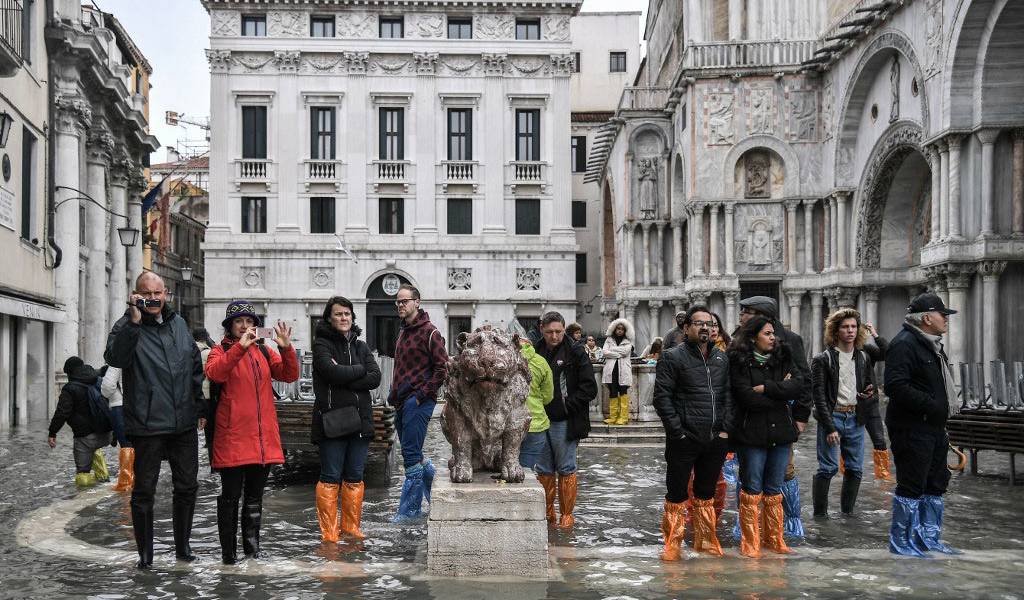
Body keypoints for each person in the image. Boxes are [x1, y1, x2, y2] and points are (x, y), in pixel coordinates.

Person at [104, 271, 205, 569]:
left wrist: (199, 407)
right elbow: (116, 358)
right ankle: (145, 556)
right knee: (144, 490)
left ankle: (183, 547)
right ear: (136, 294)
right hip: (147, 424)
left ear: (166, 294)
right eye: (146, 293)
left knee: (187, 486)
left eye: (158, 293)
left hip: (183, 422)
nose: (153, 298)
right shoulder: (125, 325)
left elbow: (194, 365)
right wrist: (134, 322)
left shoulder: (179, 324)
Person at [205, 301, 299, 564]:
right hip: (233, 438)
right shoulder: (218, 351)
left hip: (262, 440)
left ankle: (252, 550)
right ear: (230, 326)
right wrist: (239, 348)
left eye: (250, 322)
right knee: (230, 497)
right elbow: (216, 373)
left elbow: (289, 375)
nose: (245, 326)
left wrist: (285, 347)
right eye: (239, 322)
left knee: (255, 498)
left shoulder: (265, 352)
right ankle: (228, 555)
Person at [653, 305, 733, 560]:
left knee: (706, 493)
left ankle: (706, 541)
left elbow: (729, 397)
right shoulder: (672, 357)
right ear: (686, 329)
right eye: (698, 323)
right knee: (676, 492)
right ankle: (673, 544)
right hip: (684, 438)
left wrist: (724, 431)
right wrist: (677, 432)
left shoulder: (721, 358)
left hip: (715, 438)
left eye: (709, 324)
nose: (705, 328)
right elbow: (661, 398)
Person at [884, 292, 960, 557]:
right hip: (912, 427)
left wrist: (940, 412)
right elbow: (895, 385)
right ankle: (902, 542)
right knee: (912, 484)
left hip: (934, 428)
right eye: (943, 315)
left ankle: (929, 538)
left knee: (936, 482)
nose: (946, 320)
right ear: (927, 318)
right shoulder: (905, 344)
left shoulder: (932, 344)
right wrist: (932, 404)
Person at [728, 315, 811, 558]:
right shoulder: (739, 361)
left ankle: (775, 539)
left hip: (781, 433)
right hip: (751, 434)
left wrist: (767, 388)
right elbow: (745, 397)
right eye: (767, 333)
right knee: (752, 487)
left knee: (775, 488)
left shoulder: (783, 356)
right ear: (754, 337)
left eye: (773, 333)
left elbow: (798, 385)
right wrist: (780, 392)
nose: (773, 337)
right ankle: (751, 541)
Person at [311, 297, 382, 543]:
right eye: (338, 314)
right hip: (332, 421)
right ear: (329, 318)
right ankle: (329, 534)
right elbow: (330, 372)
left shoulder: (361, 346)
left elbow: (376, 377)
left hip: (360, 422)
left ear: (352, 317)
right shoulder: (321, 345)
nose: (343, 318)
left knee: (355, 476)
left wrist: (345, 375)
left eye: (347, 314)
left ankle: (351, 528)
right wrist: (358, 370)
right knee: (330, 476)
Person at [388, 284, 449, 522]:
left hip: (418, 401)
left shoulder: (430, 332)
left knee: (411, 457)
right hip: (402, 401)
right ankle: (438, 498)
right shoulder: (403, 331)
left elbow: (442, 368)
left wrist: (421, 396)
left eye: (405, 301)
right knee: (413, 453)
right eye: (398, 302)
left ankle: (409, 514)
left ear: (417, 302)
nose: (401, 305)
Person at [811, 308, 878, 518]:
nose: (850, 331)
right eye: (845, 327)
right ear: (836, 330)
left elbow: (869, 386)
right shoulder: (823, 359)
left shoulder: (863, 358)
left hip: (855, 417)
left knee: (855, 469)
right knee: (828, 467)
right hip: (834, 416)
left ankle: (847, 514)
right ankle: (820, 514)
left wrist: (867, 394)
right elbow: (819, 396)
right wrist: (829, 426)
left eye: (853, 327)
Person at [535, 311, 597, 528]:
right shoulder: (535, 350)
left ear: (564, 330)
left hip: (566, 421)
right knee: (543, 468)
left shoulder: (577, 352)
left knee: (566, 467)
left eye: (558, 332)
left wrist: (566, 406)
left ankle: (567, 517)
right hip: (540, 420)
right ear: (542, 330)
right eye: (550, 332)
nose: (554, 336)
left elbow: (590, 388)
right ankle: (547, 514)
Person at [47, 357, 111, 488]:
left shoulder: (70, 389)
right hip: (108, 434)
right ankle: (104, 479)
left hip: (85, 437)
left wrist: (52, 432)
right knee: (94, 448)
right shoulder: (97, 379)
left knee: (83, 474)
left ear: (70, 372)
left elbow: (62, 413)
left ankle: (86, 499)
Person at [517, 335, 554, 478]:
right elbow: (548, 396)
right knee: (526, 471)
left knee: (504, 471)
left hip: (507, 426)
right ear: (530, 345)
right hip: (535, 424)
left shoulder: (503, 361)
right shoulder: (541, 362)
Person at [862, 323, 893, 481]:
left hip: (870, 403)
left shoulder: (867, 349)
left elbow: (889, 353)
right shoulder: (836, 351)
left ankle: (883, 476)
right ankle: (846, 475)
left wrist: (875, 334)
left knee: (880, 440)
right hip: (848, 405)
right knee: (847, 443)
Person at [100, 365, 133, 492]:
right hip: (143, 405)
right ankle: (140, 479)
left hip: (120, 406)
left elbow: (107, 387)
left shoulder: (117, 359)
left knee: (127, 445)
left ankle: (127, 482)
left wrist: (114, 396)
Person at [602, 318, 634, 426]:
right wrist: (618, 353)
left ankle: (623, 417)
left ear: (625, 331)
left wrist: (613, 350)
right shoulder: (608, 340)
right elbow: (605, 352)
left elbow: (626, 352)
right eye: (618, 329)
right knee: (613, 392)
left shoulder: (628, 341)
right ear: (614, 329)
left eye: (622, 329)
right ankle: (613, 417)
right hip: (611, 370)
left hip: (623, 370)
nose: (619, 331)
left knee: (623, 392)